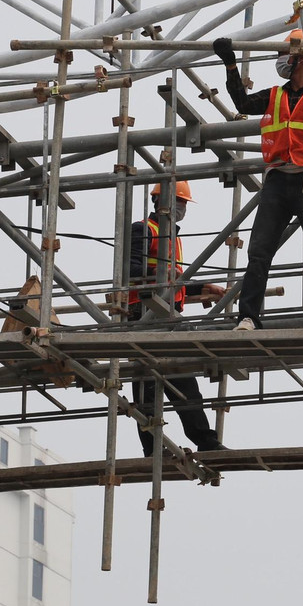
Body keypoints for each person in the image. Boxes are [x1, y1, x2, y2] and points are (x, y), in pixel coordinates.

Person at [213, 30, 303, 330]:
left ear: (302, 58)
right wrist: (230, 65)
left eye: (286, 55)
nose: (282, 61)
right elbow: (243, 102)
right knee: (259, 252)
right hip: (278, 178)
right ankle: (248, 316)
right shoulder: (275, 95)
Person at [128, 180, 228, 456]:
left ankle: (206, 441)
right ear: (161, 202)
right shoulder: (143, 230)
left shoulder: (172, 237)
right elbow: (130, 271)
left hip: (168, 317)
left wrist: (204, 288)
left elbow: (174, 282)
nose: (183, 207)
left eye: (184, 203)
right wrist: (163, 279)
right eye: (180, 202)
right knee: (147, 387)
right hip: (142, 316)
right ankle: (152, 448)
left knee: (184, 383)